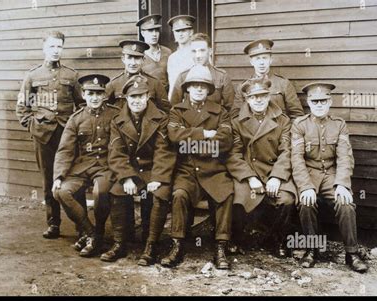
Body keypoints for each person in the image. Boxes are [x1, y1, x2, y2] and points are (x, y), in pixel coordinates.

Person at [162, 65, 234, 270]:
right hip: (187, 169)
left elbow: (225, 141)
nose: (199, 89)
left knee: (226, 194)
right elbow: (175, 137)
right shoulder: (177, 111)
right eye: (194, 86)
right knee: (179, 195)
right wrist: (205, 133)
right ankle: (177, 244)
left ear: (209, 89)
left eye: (203, 86)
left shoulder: (220, 112)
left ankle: (221, 246)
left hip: (214, 168)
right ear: (187, 88)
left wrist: (191, 138)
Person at [291, 82, 368, 273]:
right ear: (308, 102)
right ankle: (312, 249)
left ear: (330, 102)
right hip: (309, 175)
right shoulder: (300, 125)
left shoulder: (339, 125)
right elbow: (297, 159)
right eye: (315, 101)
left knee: (346, 204)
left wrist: (342, 184)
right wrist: (305, 186)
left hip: (332, 176)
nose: (319, 105)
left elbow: (345, 157)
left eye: (323, 101)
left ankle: (352, 253)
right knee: (306, 203)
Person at [16, 31, 83, 239]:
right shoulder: (33, 75)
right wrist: (33, 126)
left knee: (74, 177)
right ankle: (53, 223)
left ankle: (81, 225)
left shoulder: (71, 75)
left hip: (68, 135)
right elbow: (22, 107)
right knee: (48, 179)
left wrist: (78, 129)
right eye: (52, 47)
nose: (56, 51)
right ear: (44, 48)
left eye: (59, 47)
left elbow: (81, 105)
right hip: (44, 136)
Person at [102, 75, 176, 263]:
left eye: (141, 96)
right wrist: (127, 177)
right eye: (132, 97)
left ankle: (151, 245)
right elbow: (116, 152)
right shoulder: (118, 120)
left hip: (153, 169)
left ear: (148, 97)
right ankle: (120, 243)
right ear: (126, 98)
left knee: (159, 194)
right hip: (131, 170)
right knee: (117, 191)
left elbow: (164, 151)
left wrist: (157, 178)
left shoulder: (161, 118)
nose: (137, 101)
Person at [227, 79, 297, 257]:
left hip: (274, 172)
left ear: (269, 97)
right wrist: (250, 177)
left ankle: (277, 239)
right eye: (253, 97)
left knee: (287, 200)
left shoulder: (282, 120)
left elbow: (286, 151)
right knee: (237, 199)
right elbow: (234, 154)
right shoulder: (237, 122)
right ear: (247, 100)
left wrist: (277, 176)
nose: (259, 100)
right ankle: (237, 238)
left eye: (263, 96)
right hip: (249, 172)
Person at [52, 74, 117, 257]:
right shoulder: (76, 119)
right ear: (83, 94)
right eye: (90, 93)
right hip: (82, 167)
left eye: (98, 93)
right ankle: (91, 234)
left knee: (100, 192)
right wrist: (58, 176)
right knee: (60, 191)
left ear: (104, 95)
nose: (95, 98)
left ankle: (97, 233)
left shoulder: (115, 115)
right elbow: (65, 149)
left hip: (106, 166)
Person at [232, 39, 304, 120]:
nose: (261, 62)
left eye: (264, 58)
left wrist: (285, 130)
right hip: (252, 131)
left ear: (270, 60)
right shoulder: (244, 86)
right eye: (257, 59)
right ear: (251, 62)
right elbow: (235, 116)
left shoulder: (283, 83)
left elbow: (297, 114)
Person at [170, 33, 234, 112]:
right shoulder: (183, 77)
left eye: (202, 50)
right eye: (194, 51)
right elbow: (174, 106)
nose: (198, 55)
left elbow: (230, 107)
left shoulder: (222, 76)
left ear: (210, 51)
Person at [106, 39, 170, 112]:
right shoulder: (114, 84)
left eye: (137, 58)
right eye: (129, 58)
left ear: (143, 59)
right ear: (123, 59)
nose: (133, 63)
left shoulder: (155, 83)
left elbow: (166, 111)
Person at [137, 14, 172, 90]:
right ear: (143, 33)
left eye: (156, 30)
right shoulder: (139, 55)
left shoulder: (167, 52)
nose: (154, 34)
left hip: (167, 96)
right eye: (150, 31)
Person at [166, 15, 195, 100]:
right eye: (177, 31)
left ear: (191, 32)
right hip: (178, 101)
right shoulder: (172, 58)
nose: (181, 34)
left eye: (184, 30)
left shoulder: (198, 53)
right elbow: (172, 85)